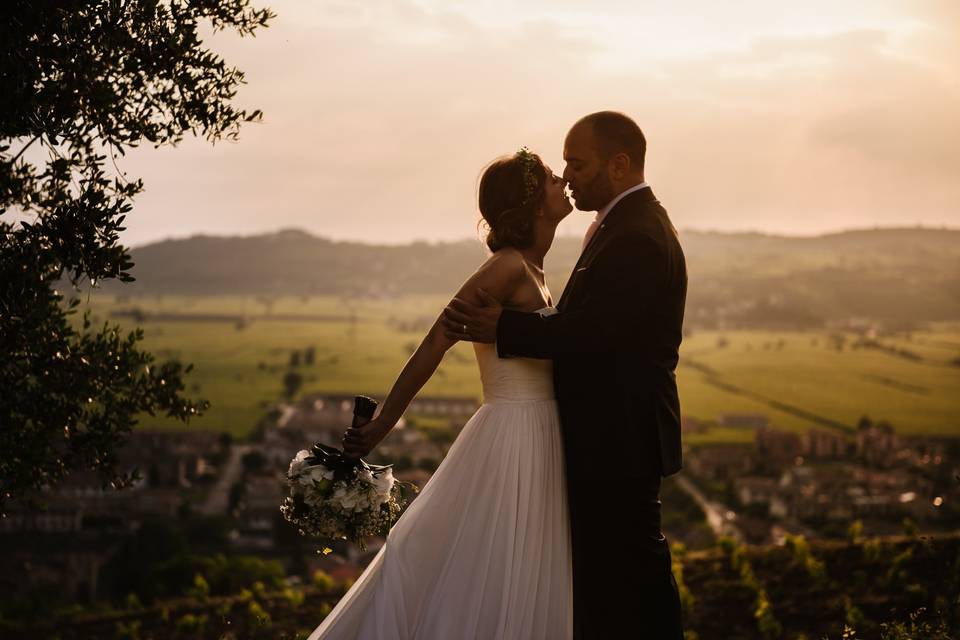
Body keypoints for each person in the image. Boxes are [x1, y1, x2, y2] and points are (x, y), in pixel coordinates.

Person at [308, 147, 574, 639]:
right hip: (511, 436)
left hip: (542, 435)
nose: (565, 182)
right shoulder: (507, 267)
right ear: (533, 201)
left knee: (518, 568)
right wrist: (383, 423)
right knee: (479, 566)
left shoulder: (536, 272)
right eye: (554, 179)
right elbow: (437, 339)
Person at [443, 111, 687, 639]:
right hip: (613, 436)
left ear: (619, 165)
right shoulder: (626, 226)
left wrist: (506, 328)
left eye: (577, 164)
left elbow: (597, 336)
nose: (568, 174)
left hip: (621, 437)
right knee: (612, 578)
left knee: (634, 575)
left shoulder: (637, 235)